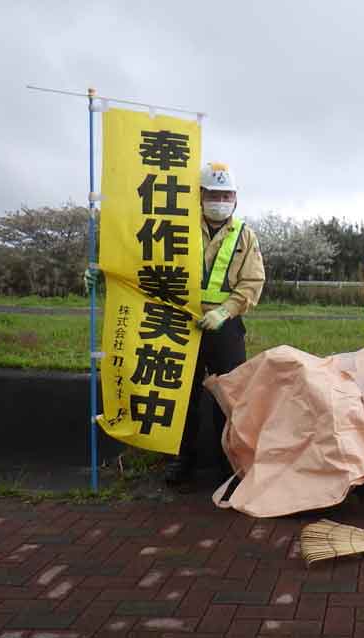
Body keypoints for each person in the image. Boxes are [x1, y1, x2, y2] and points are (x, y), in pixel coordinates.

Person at [86, 161, 265, 487]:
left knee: (231, 396)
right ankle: (183, 461)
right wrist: (105, 274)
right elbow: (142, 263)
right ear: (199, 194)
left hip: (224, 326)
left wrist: (225, 311)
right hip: (180, 324)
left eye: (226, 195)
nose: (220, 200)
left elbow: (252, 282)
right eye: (213, 193)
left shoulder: (246, 235)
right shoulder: (175, 227)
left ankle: (231, 464)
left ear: (236, 198)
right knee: (181, 396)